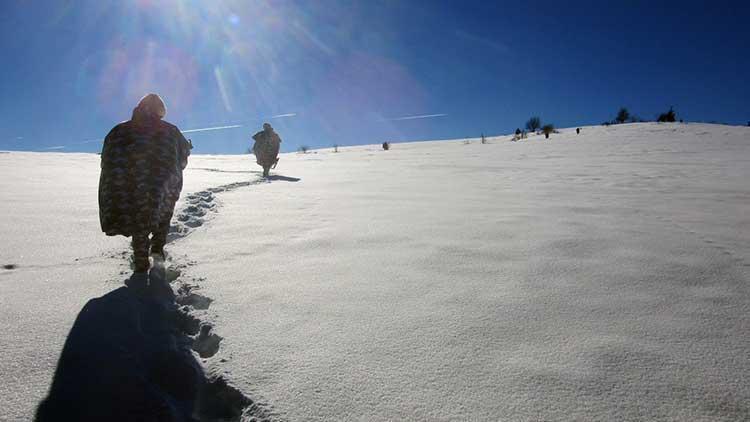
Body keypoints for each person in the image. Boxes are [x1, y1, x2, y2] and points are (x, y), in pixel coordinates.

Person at [98, 94, 192, 273]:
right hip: (165, 185)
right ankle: (157, 250)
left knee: (139, 221)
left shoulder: (119, 130)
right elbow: (183, 158)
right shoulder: (171, 131)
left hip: (130, 186)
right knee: (163, 216)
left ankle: (141, 261)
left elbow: (107, 161)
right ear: (160, 110)